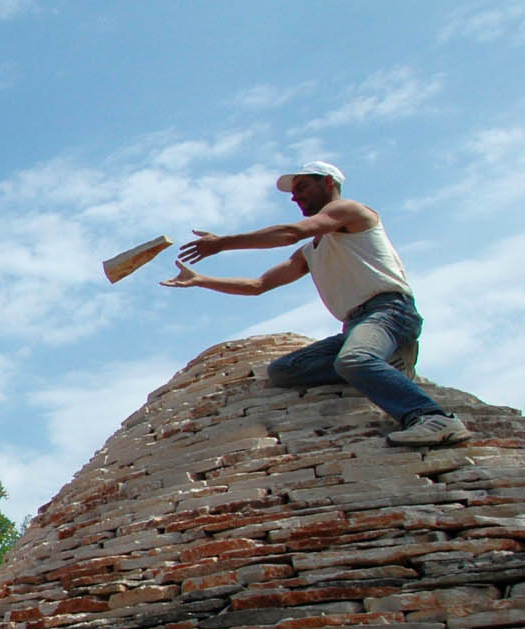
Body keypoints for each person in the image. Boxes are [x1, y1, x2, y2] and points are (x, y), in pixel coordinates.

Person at [161, 161, 467, 447]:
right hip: (355, 324)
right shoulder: (311, 251)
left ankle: (432, 417)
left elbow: (291, 233)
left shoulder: (351, 212)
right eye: (294, 193)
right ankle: (384, 364)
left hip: (389, 312)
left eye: (303, 188)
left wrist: (222, 243)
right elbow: (259, 286)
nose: (296, 198)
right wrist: (201, 279)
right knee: (284, 370)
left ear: (329, 183)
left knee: (354, 360)